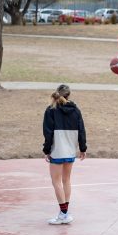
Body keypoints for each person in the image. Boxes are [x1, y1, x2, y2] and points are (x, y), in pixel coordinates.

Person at [42, 84, 87, 225]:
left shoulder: (50, 110)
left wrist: (46, 150)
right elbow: (82, 130)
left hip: (57, 150)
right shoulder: (76, 110)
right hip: (70, 150)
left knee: (56, 181)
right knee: (66, 180)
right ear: (69, 95)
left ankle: (64, 213)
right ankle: (65, 213)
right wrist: (83, 148)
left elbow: (48, 133)